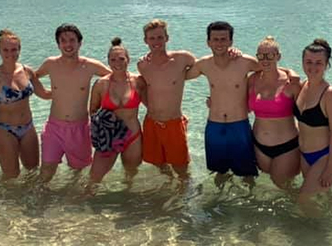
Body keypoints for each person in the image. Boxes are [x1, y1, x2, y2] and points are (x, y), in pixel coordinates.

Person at [35, 24, 111, 182]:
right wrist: (44, 94)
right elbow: (30, 78)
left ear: (80, 43)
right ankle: (39, 197)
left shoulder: (90, 66)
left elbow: (116, 77)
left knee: (78, 173)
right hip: (54, 128)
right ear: (58, 44)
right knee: (47, 171)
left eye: (72, 40)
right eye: (63, 41)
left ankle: (73, 198)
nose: (68, 44)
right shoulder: (51, 64)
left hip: (80, 129)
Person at [185, 21, 259, 183]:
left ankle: (250, 198)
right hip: (214, 125)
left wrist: (252, 96)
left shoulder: (245, 62)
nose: (219, 43)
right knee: (219, 172)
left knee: (247, 173)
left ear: (231, 41)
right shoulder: (203, 64)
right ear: (208, 42)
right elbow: (178, 76)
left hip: (239, 124)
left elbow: (270, 71)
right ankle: (217, 199)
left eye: (223, 39)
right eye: (215, 39)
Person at [0, 29, 51, 178]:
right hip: (5, 130)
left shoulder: (27, 71)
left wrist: (68, 87)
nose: (10, 53)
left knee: (33, 171)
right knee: (11, 177)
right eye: (5, 50)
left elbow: (44, 94)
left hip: (28, 127)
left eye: (14, 49)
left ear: (19, 49)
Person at [137, 19, 196, 177]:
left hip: (173, 123)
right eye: (152, 38)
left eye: (160, 37)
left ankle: (184, 190)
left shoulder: (182, 59)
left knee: (181, 168)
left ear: (167, 38)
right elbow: (143, 88)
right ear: (145, 41)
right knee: (158, 163)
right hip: (151, 122)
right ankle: (169, 184)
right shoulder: (143, 65)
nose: (156, 42)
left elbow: (205, 67)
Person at [88, 37, 147, 183]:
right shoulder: (101, 84)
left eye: (121, 59)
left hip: (133, 136)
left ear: (128, 59)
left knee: (130, 177)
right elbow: (93, 110)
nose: (117, 63)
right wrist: (103, 129)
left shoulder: (138, 81)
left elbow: (151, 106)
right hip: (109, 137)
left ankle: (126, 197)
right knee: (94, 178)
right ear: (108, 61)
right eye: (113, 60)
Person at [247, 36, 301, 189]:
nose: (265, 60)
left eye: (270, 55)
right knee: (266, 189)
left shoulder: (291, 83)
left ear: (278, 56)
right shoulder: (252, 79)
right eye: (261, 56)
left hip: (286, 146)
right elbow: (243, 106)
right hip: (258, 146)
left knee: (284, 188)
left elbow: (306, 114)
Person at [295, 38, 332, 198]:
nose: (313, 67)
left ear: (326, 65)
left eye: (319, 63)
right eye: (308, 62)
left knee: (303, 199)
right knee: (323, 198)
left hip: (325, 156)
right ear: (302, 62)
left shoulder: (330, 94)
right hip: (305, 155)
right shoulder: (303, 86)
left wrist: (330, 168)